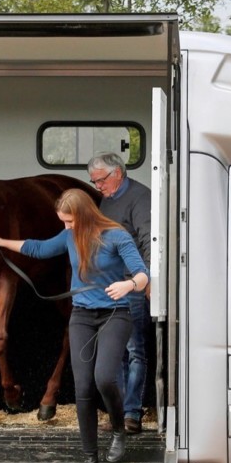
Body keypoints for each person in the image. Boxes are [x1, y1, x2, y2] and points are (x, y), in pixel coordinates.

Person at [0, 188, 148, 463]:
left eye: (69, 221)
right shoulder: (70, 236)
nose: (66, 227)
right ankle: (90, 460)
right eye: (63, 222)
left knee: (105, 379)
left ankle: (119, 430)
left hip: (114, 315)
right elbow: (38, 248)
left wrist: (128, 285)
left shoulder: (116, 236)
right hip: (82, 315)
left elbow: (142, 274)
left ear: (82, 215)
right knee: (82, 387)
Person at [87, 152, 152, 435]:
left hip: (133, 285)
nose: (98, 186)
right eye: (94, 182)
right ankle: (118, 413)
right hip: (110, 285)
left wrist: (147, 281)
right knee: (115, 351)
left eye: (100, 180)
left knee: (135, 349)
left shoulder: (140, 197)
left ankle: (132, 414)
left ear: (117, 173)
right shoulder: (107, 199)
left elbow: (149, 239)